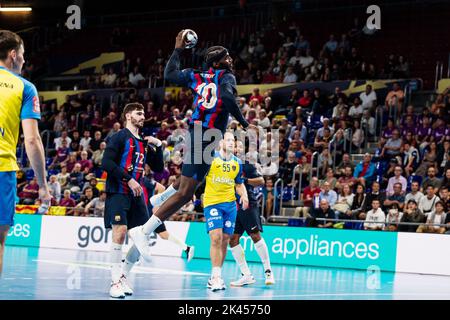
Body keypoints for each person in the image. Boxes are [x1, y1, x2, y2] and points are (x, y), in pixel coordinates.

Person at [128, 31, 253, 258]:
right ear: (217, 62)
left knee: (191, 182)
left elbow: (169, 73)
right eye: (226, 57)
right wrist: (243, 121)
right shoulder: (226, 77)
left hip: (198, 133)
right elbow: (226, 97)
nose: (230, 60)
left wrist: (178, 49)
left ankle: (159, 199)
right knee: (187, 192)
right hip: (207, 135)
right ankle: (144, 230)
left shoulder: (196, 75)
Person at [0, 30, 51, 276]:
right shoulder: (25, 87)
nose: (24, 59)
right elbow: (31, 140)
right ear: (13, 55)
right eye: (22, 55)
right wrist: (42, 186)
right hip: (2, 169)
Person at [101, 103, 164, 299]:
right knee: (119, 232)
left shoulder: (144, 143)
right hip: (118, 191)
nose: (143, 115)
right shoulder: (119, 137)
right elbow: (106, 163)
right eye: (139, 113)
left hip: (137, 196)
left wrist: (159, 146)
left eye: (143, 113)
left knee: (143, 235)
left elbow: (159, 167)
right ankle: (114, 282)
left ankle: (123, 277)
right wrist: (129, 179)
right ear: (128, 116)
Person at [202, 132, 249, 291]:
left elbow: (239, 183)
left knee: (225, 239)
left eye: (233, 141)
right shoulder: (211, 159)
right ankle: (215, 278)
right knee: (216, 237)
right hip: (212, 203)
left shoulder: (237, 163)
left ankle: (217, 275)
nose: (231, 143)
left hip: (230, 205)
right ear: (221, 142)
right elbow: (197, 177)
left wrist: (245, 195)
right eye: (228, 140)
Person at [229, 140, 274, 287]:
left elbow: (261, 181)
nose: (238, 149)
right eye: (236, 146)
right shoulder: (225, 164)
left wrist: (244, 180)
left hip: (248, 204)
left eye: (241, 147)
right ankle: (246, 275)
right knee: (233, 239)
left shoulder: (246, 163)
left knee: (255, 236)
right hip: (232, 206)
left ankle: (268, 271)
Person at [140, 174, 195, 261]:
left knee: (137, 232)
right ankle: (186, 248)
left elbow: (161, 187)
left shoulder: (143, 180)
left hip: (148, 211)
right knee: (162, 234)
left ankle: (137, 257)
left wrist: (156, 205)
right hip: (142, 210)